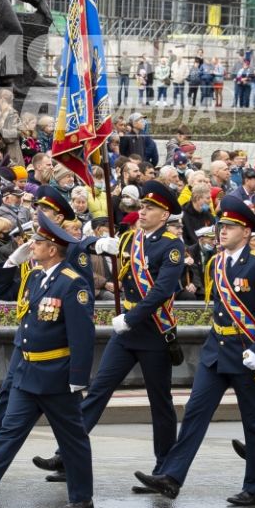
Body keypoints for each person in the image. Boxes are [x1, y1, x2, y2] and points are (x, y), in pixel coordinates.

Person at [134, 194, 255, 506]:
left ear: (246, 232)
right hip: (216, 351)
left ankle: (253, 486)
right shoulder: (215, 263)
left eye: (230, 226)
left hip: (246, 353)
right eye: (221, 226)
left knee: (253, 422)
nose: (222, 231)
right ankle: (172, 477)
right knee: (194, 415)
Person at [0, 212, 96, 508]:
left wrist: (78, 376)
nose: (32, 246)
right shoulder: (37, 277)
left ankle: (82, 496)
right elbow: (2, 290)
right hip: (28, 372)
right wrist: (10, 263)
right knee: (7, 431)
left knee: (72, 437)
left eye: (37, 242)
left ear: (52, 249)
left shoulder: (72, 284)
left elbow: (82, 334)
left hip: (56, 376)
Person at [56, 179, 183, 474]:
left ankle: (164, 467)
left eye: (150, 208)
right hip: (126, 334)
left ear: (164, 215)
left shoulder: (172, 246)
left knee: (160, 402)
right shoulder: (129, 239)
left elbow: (162, 290)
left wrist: (130, 317)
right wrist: (97, 243)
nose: (143, 211)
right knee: (98, 391)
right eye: (142, 206)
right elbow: (79, 246)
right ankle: (66, 454)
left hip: (153, 331)